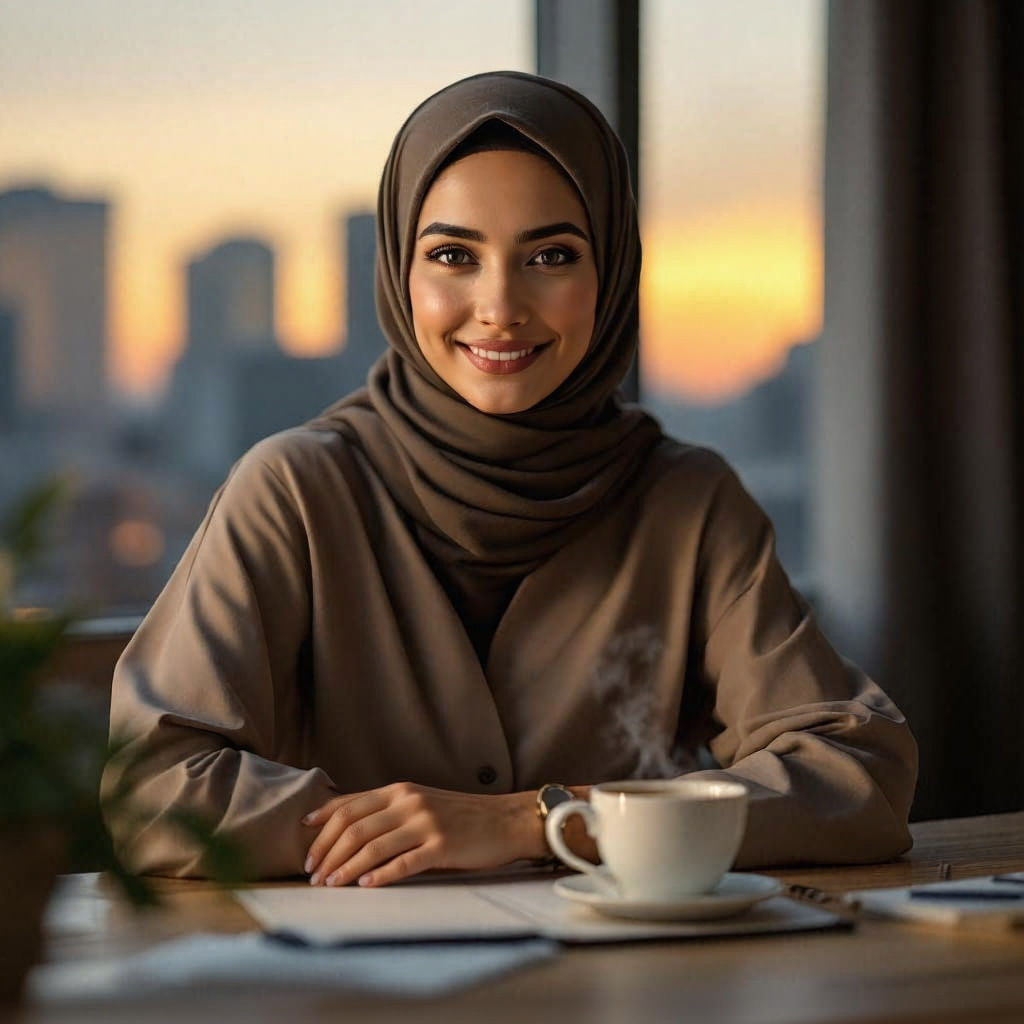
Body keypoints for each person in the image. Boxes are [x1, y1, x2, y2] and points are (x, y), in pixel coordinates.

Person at [103, 71, 917, 887]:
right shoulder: (294, 492)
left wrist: (537, 821)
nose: (499, 305)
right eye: (454, 255)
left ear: (611, 274)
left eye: (552, 256)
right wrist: (397, 833)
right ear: (398, 271)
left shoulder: (688, 504)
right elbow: (153, 789)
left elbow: (856, 776)